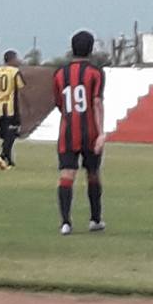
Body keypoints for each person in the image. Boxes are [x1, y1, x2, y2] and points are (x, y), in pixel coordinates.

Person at [52, 30, 105, 235]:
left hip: (67, 131)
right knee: (93, 174)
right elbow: (97, 102)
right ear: (91, 49)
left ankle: (66, 222)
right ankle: (95, 219)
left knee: (67, 174)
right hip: (90, 132)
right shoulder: (95, 73)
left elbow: (59, 102)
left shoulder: (59, 74)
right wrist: (101, 133)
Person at [0, 51, 27, 169]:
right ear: (12, 59)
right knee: (13, 131)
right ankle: (2, 155)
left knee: (7, 134)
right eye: (16, 58)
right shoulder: (15, 72)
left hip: (0, 108)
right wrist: (25, 106)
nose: (18, 61)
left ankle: (9, 161)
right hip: (11, 107)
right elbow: (21, 90)